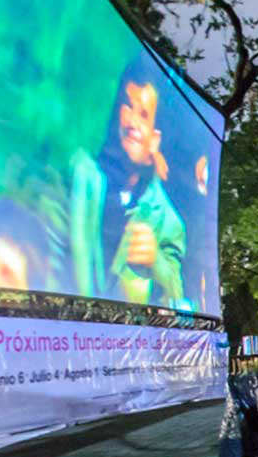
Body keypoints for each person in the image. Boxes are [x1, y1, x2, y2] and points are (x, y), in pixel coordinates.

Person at [69, 56, 187, 307]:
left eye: (143, 115)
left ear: (155, 140)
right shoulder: (81, 176)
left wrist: (155, 259)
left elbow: (178, 296)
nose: (131, 121)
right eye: (127, 106)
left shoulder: (168, 221)